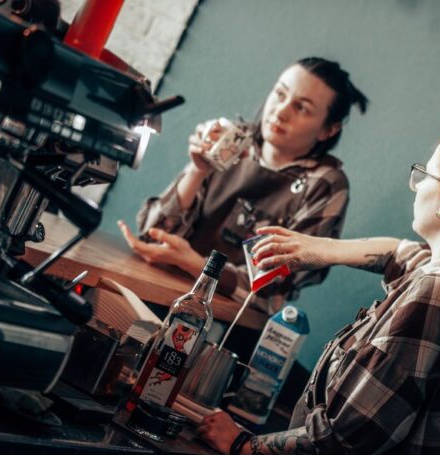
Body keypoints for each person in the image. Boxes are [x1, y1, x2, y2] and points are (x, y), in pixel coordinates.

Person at [196, 122, 440, 455]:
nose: (417, 186)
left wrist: (244, 446)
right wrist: (317, 248)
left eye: (425, 175)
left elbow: (342, 438)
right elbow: (398, 253)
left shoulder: (437, 297)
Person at [118, 57, 368, 314]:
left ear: (328, 130)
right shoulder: (232, 141)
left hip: (228, 320)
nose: (281, 112)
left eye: (301, 108)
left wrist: (197, 265)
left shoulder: (325, 185)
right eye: (280, 94)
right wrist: (197, 170)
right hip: (159, 287)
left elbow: (274, 286)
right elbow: (152, 235)